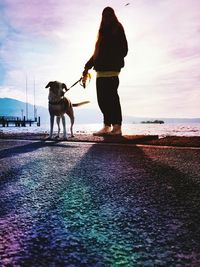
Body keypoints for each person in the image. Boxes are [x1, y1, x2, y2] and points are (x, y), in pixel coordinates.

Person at [83, 6, 128, 136]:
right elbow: (96, 53)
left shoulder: (118, 29)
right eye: (105, 15)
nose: (107, 17)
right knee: (102, 100)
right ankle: (107, 126)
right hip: (100, 72)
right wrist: (87, 66)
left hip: (112, 70)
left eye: (109, 14)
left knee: (112, 98)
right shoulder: (101, 32)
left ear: (113, 15)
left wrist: (111, 56)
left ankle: (117, 127)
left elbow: (124, 50)